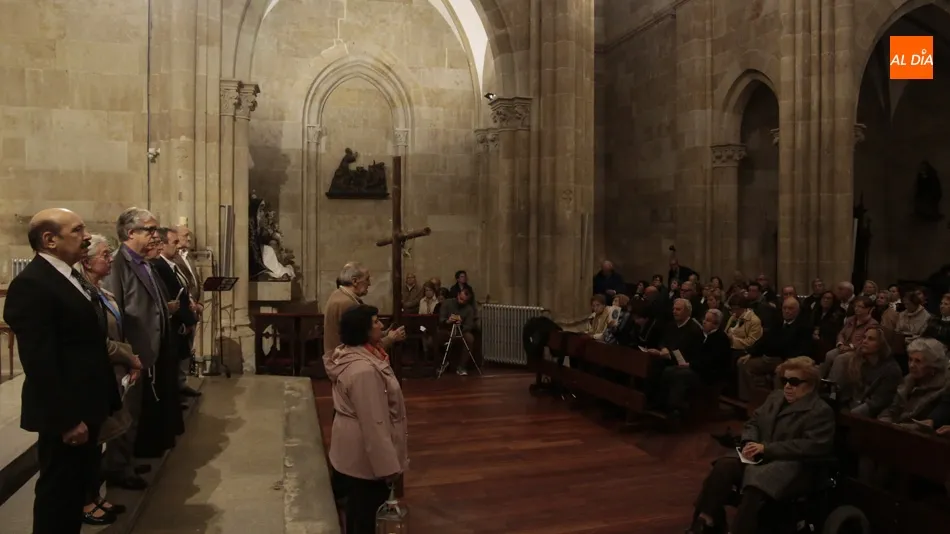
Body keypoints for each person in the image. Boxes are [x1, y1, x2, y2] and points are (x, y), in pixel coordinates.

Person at [3, 208, 121, 533]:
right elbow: (41, 362)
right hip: (66, 411)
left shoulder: (69, 275)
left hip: (87, 403)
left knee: (74, 490)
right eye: (77, 230)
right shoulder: (33, 284)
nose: (86, 237)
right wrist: (67, 419)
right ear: (49, 240)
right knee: (59, 494)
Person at [688, 357, 835, 534]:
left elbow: (812, 445)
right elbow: (754, 422)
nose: (787, 386)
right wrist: (749, 442)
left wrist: (766, 449)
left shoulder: (820, 411)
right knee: (723, 467)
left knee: (756, 484)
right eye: (784, 381)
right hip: (761, 454)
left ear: (810, 384)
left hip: (793, 464)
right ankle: (706, 521)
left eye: (794, 382)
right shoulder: (776, 397)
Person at [324, 305, 408, 534]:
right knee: (364, 515)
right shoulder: (364, 371)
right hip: (364, 457)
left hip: (350, 450)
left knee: (358, 511)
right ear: (363, 330)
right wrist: (388, 467)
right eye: (376, 322)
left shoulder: (351, 354)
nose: (381, 324)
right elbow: (375, 423)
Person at [80, 234, 143, 525]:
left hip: (113, 372)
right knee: (88, 445)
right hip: (94, 375)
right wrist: (128, 357)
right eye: (105, 255)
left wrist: (130, 358)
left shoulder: (105, 293)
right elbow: (98, 340)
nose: (110, 259)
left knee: (98, 443)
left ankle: (95, 496)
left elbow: (118, 332)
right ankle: (85, 501)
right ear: (87, 261)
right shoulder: (82, 294)